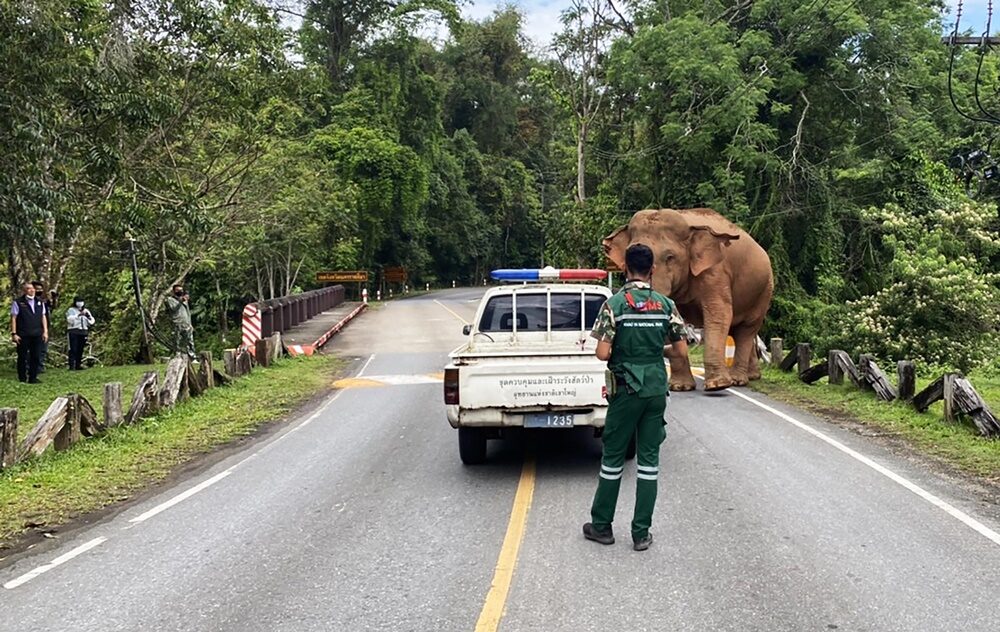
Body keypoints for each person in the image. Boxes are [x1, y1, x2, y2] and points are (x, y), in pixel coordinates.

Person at [583, 243, 688, 552]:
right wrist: (657, 350)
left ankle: (602, 526)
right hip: (655, 390)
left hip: (626, 389)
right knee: (649, 463)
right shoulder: (666, 305)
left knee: (613, 460)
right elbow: (681, 352)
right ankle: (641, 533)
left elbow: (603, 353)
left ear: (626, 269)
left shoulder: (615, 305)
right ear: (652, 270)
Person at [10, 282, 49, 383]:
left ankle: (33, 377)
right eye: (28, 289)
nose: (32, 290)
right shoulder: (18, 302)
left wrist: (45, 331)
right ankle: (22, 377)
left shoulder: (40, 302)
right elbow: (14, 318)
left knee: (35, 356)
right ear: (24, 290)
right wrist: (14, 333)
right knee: (22, 356)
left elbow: (43, 316)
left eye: (33, 289)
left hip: (37, 333)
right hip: (23, 334)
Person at [164, 284, 195, 359]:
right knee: (176, 341)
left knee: (190, 341)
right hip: (176, 323)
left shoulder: (184, 300)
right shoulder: (170, 300)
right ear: (174, 291)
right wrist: (181, 301)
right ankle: (176, 357)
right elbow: (173, 309)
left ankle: (192, 357)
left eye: (181, 290)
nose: (180, 292)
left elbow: (188, 312)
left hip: (186, 323)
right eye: (178, 290)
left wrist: (190, 323)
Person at [66, 297, 95, 370]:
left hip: (83, 331)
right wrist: (78, 315)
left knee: (80, 349)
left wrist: (87, 316)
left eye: (81, 301)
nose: (80, 303)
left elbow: (92, 321)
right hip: (74, 331)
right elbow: (69, 320)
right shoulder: (71, 310)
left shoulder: (86, 311)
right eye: (78, 301)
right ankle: (72, 365)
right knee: (73, 349)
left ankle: (78, 365)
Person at [32, 281, 52, 373]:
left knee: (43, 349)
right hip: (34, 328)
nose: (39, 291)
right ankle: (31, 367)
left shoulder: (44, 301)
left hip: (45, 328)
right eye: (37, 289)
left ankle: (40, 367)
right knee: (33, 349)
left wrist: (54, 298)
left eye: (41, 289)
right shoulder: (29, 302)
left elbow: (52, 307)